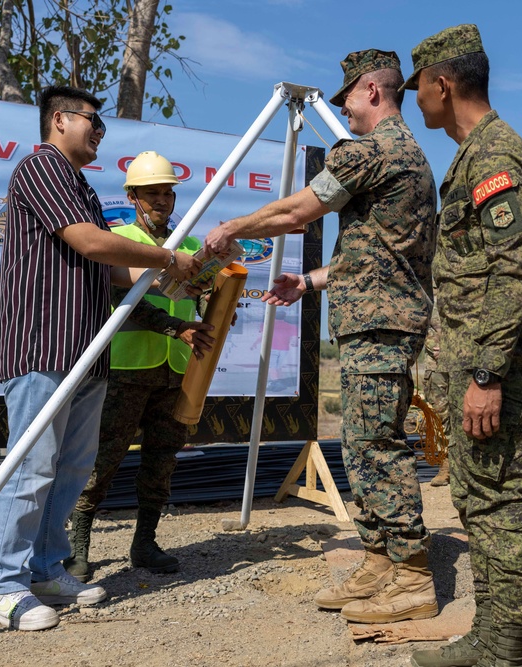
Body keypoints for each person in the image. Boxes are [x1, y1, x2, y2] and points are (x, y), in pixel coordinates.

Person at [205, 48, 439, 624]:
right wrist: (309, 281)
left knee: (376, 447)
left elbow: (299, 211)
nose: (347, 112)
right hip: (375, 320)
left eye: (349, 100)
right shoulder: (403, 158)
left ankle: (412, 575)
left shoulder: (377, 150)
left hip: (381, 327)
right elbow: (374, 256)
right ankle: (381, 558)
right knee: (362, 445)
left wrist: (233, 225)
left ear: (372, 92)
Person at [0, 86, 201, 632]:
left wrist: (182, 277)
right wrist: (166, 257)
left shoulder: (79, 184)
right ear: (58, 120)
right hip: (43, 343)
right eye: (91, 120)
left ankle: (44, 569)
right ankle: (3, 586)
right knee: (31, 466)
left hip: (86, 352)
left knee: (72, 468)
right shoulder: (41, 167)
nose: (100, 130)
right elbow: (89, 243)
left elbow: (112, 273)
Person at [402, 24, 522, 667]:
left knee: (497, 498)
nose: (416, 102)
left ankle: (501, 647)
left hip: (492, 360)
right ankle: (493, 634)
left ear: (443, 83)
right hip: (473, 355)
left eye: (419, 90)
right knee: (477, 494)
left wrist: (486, 373)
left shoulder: (494, 156)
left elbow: (512, 270)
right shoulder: (474, 154)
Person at [65, 151, 214, 582]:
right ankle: (78, 549)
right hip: (127, 371)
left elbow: (200, 301)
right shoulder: (119, 239)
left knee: (162, 460)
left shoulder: (190, 246)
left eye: (168, 191)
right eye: (153, 192)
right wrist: (175, 327)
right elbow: (116, 302)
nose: (163, 199)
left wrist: (216, 314)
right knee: (102, 461)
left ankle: (145, 544)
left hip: (176, 370)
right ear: (132, 196)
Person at [423, 305, 451, 487]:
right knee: (439, 414)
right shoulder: (424, 287)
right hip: (435, 364)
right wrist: (434, 345)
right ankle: (445, 463)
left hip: (462, 357)